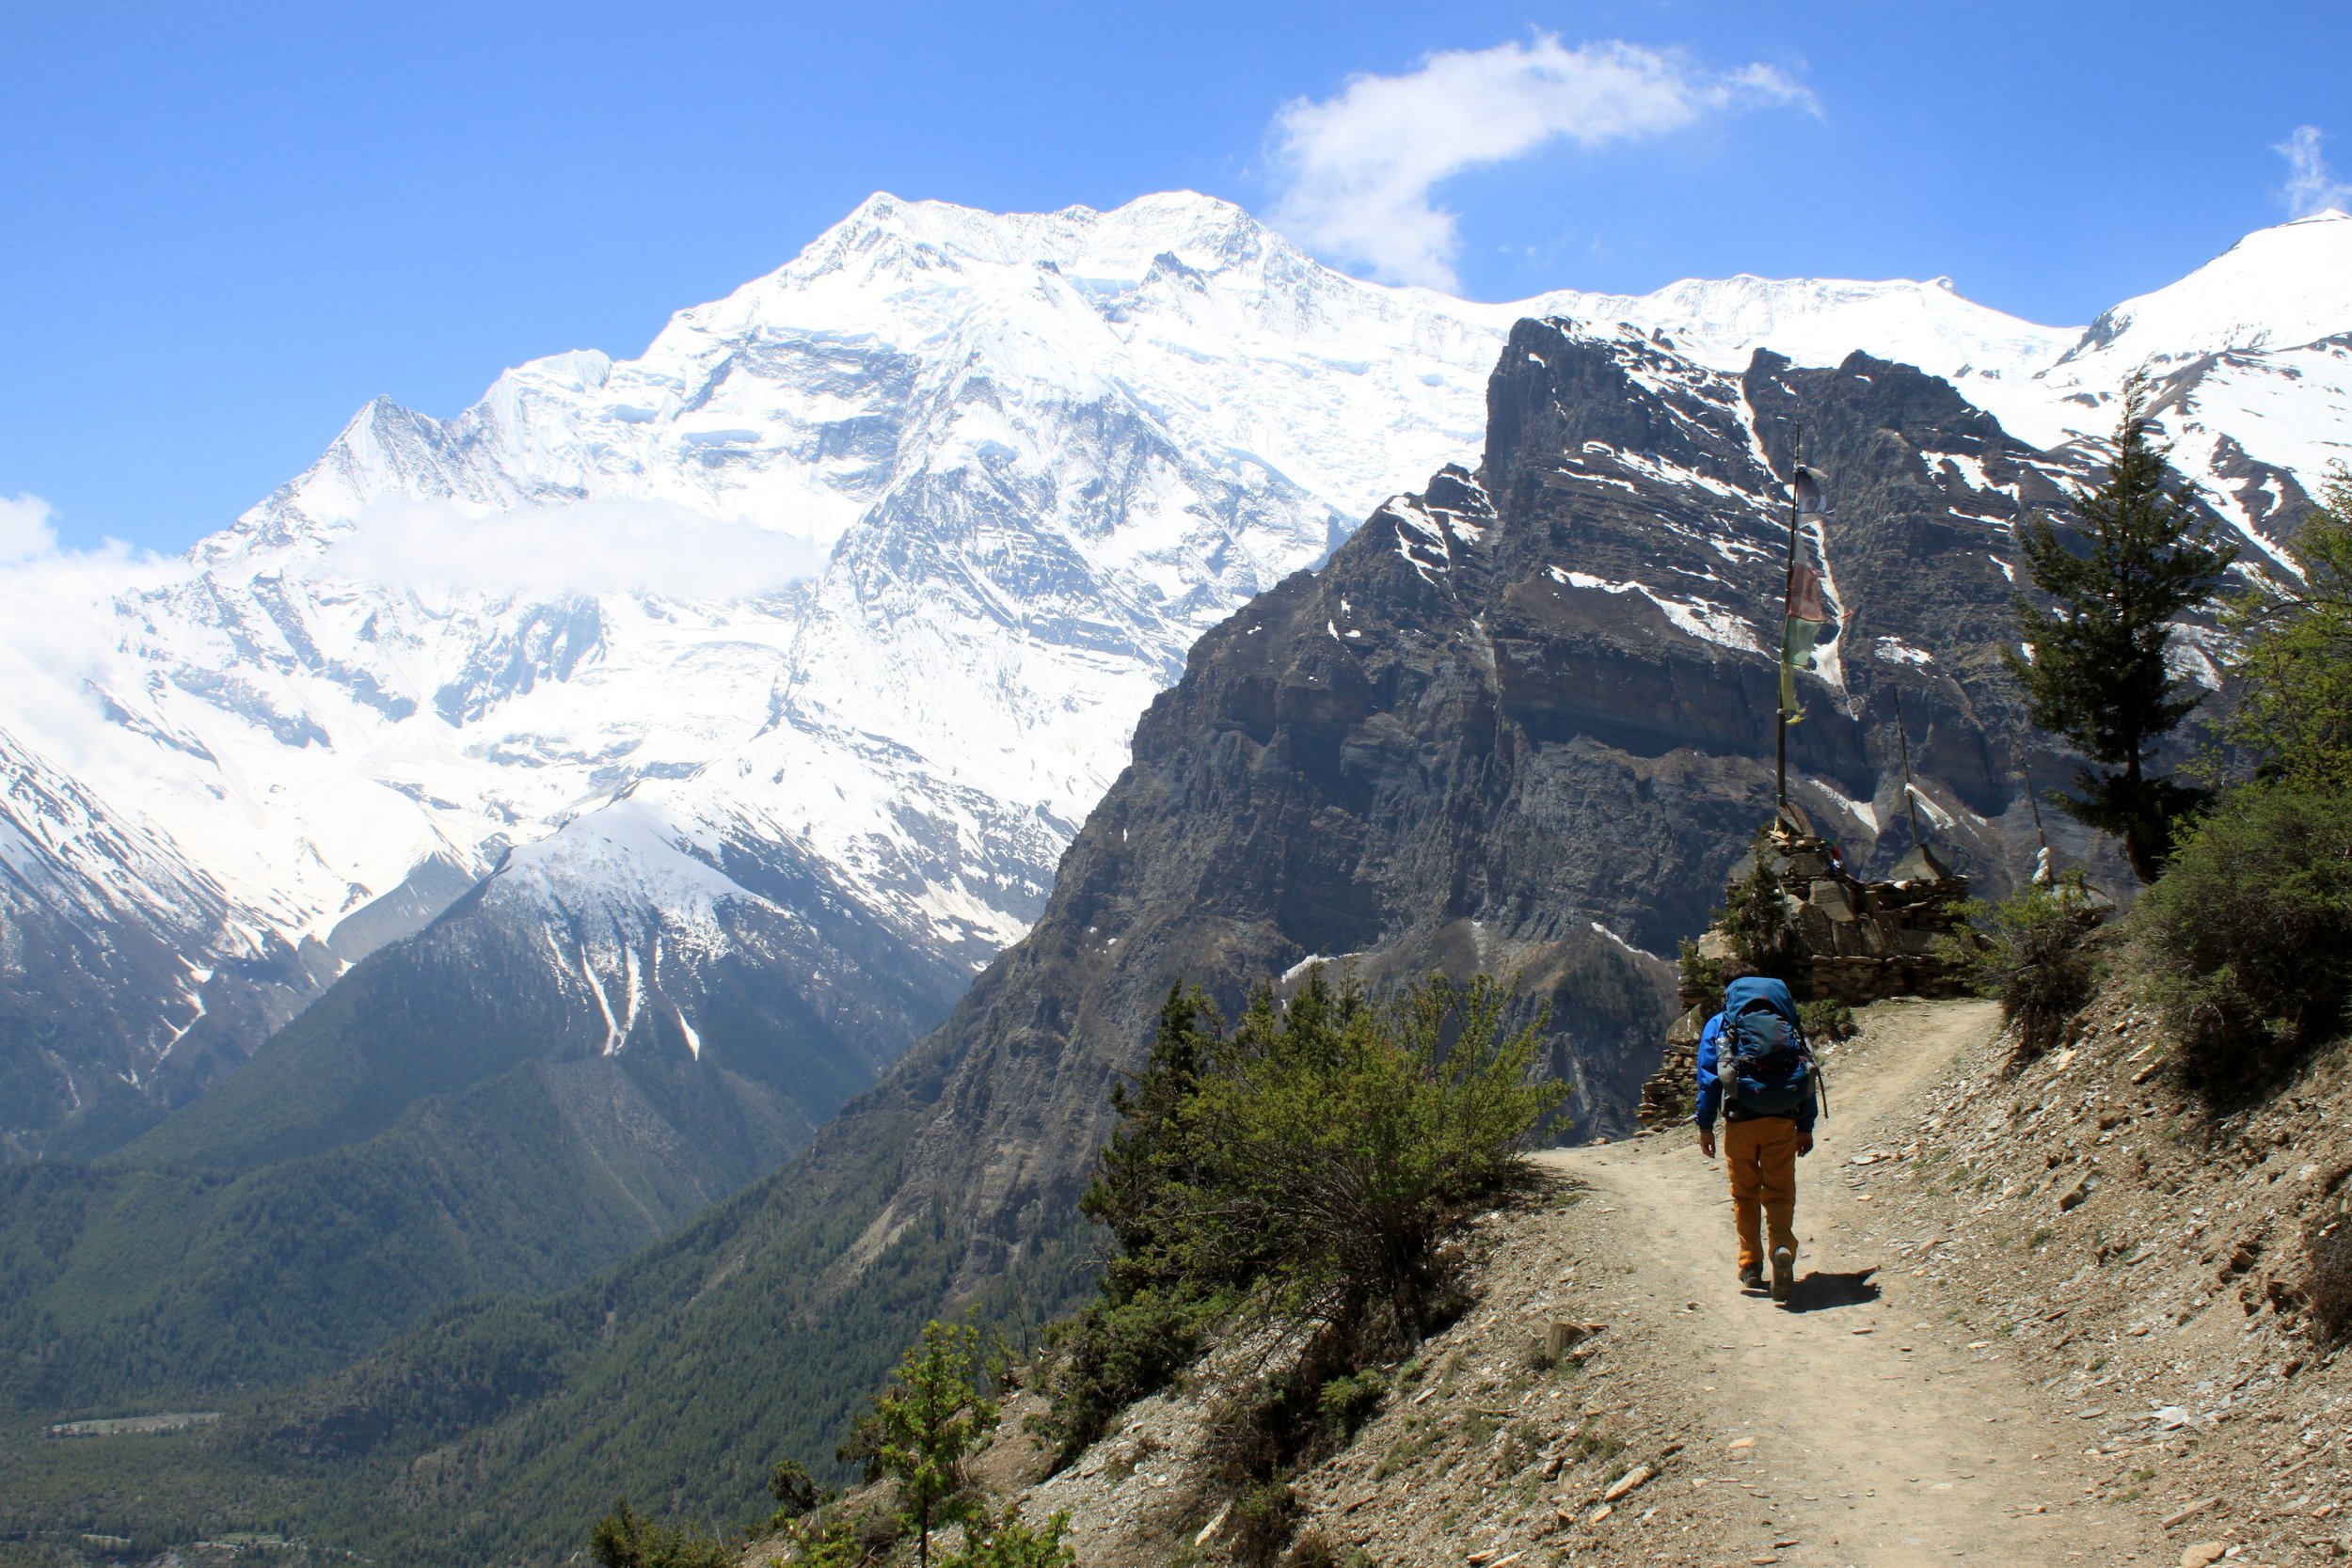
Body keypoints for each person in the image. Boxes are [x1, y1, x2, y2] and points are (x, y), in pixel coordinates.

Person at [1693, 964, 1819, 1302]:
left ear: (1728, 990)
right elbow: (1806, 1069)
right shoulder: (1785, 1021)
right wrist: (1805, 1126)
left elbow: (1709, 1079)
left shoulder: (1720, 1024)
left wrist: (1705, 1125)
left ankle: (1750, 1264)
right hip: (1783, 1120)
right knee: (1779, 1192)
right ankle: (1782, 1248)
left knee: (1745, 1193)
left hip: (1741, 1120)